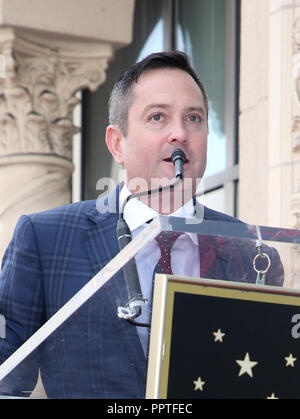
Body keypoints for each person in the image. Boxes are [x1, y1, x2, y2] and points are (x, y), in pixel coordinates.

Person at [0, 51, 284, 398]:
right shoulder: (45, 239)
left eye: (193, 118)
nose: (179, 133)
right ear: (117, 144)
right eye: (158, 117)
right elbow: (6, 381)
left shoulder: (252, 255)